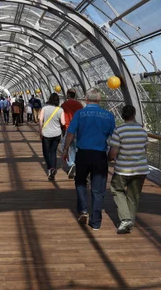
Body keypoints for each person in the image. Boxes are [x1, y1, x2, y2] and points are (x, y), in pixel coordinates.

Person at [62, 88, 115, 231]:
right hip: (99, 155)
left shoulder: (80, 114)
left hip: (83, 154)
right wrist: (112, 155)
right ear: (99, 99)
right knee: (98, 189)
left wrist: (65, 149)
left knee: (80, 182)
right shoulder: (108, 116)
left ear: (86, 99)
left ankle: (83, 210)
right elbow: (115, 137)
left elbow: (70, 133)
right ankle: (96, 222)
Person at [109, 105, 149, 234]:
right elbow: (144, 150)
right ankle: (129, 222)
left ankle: (125, 219)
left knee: (117, 190)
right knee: (133, 196)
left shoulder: (119, 130)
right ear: (134, 114)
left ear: (122, 115)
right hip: (140, 169)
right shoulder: (142, 131)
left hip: (123, 169)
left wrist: (109, 158)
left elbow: (114, 151)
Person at [39, 93, 66, 181]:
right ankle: (53, 168)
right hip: (56, 134)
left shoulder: (44, 108)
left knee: (46, 152)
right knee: (53, 152)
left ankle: (50, 168)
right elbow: (63, 123)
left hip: (46, 133)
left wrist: (40, 131)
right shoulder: (60, 110)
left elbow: (40, 120)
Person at [61, 88, 83, 179]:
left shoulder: (64, 104)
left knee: (68, 147)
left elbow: (61, 117)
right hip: (78, 128)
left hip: (67, 128)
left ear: (68, 95)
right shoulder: (79, 105)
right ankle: (77, 163)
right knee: (77, 147)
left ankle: (71, 164)